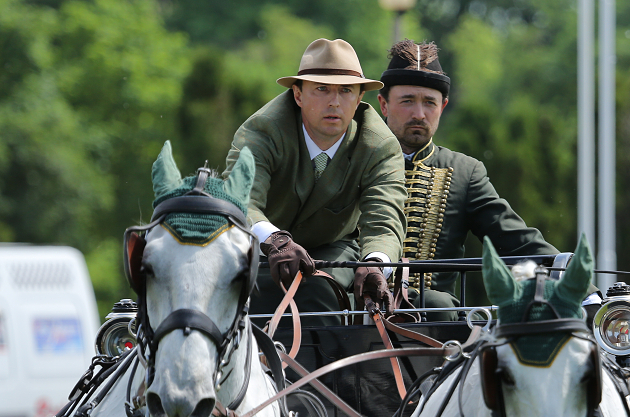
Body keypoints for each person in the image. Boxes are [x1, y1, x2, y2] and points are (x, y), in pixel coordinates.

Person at [377, 40, 600, 321]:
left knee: (436, 304)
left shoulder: (463, 171)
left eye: (429, 102)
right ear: (383, 104)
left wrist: (584, 292)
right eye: (407, 101)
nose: (419, 114)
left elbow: (516, 242)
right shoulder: (354, 161)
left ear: (443, 106)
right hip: (352, 310)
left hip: (433, 321)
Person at [223, 38, 407, 325]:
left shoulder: (379, 145)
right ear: (297, 95)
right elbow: (239, 200)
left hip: (333, 248)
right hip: (259, 247)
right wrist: (274, 240)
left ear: (359, 99)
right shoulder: (262, 131)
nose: (334, 101)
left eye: (346, 91)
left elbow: (384, 218)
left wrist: (375, 264)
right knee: (238, 292)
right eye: (321, 89)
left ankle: (316, 371)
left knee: (321, 291)